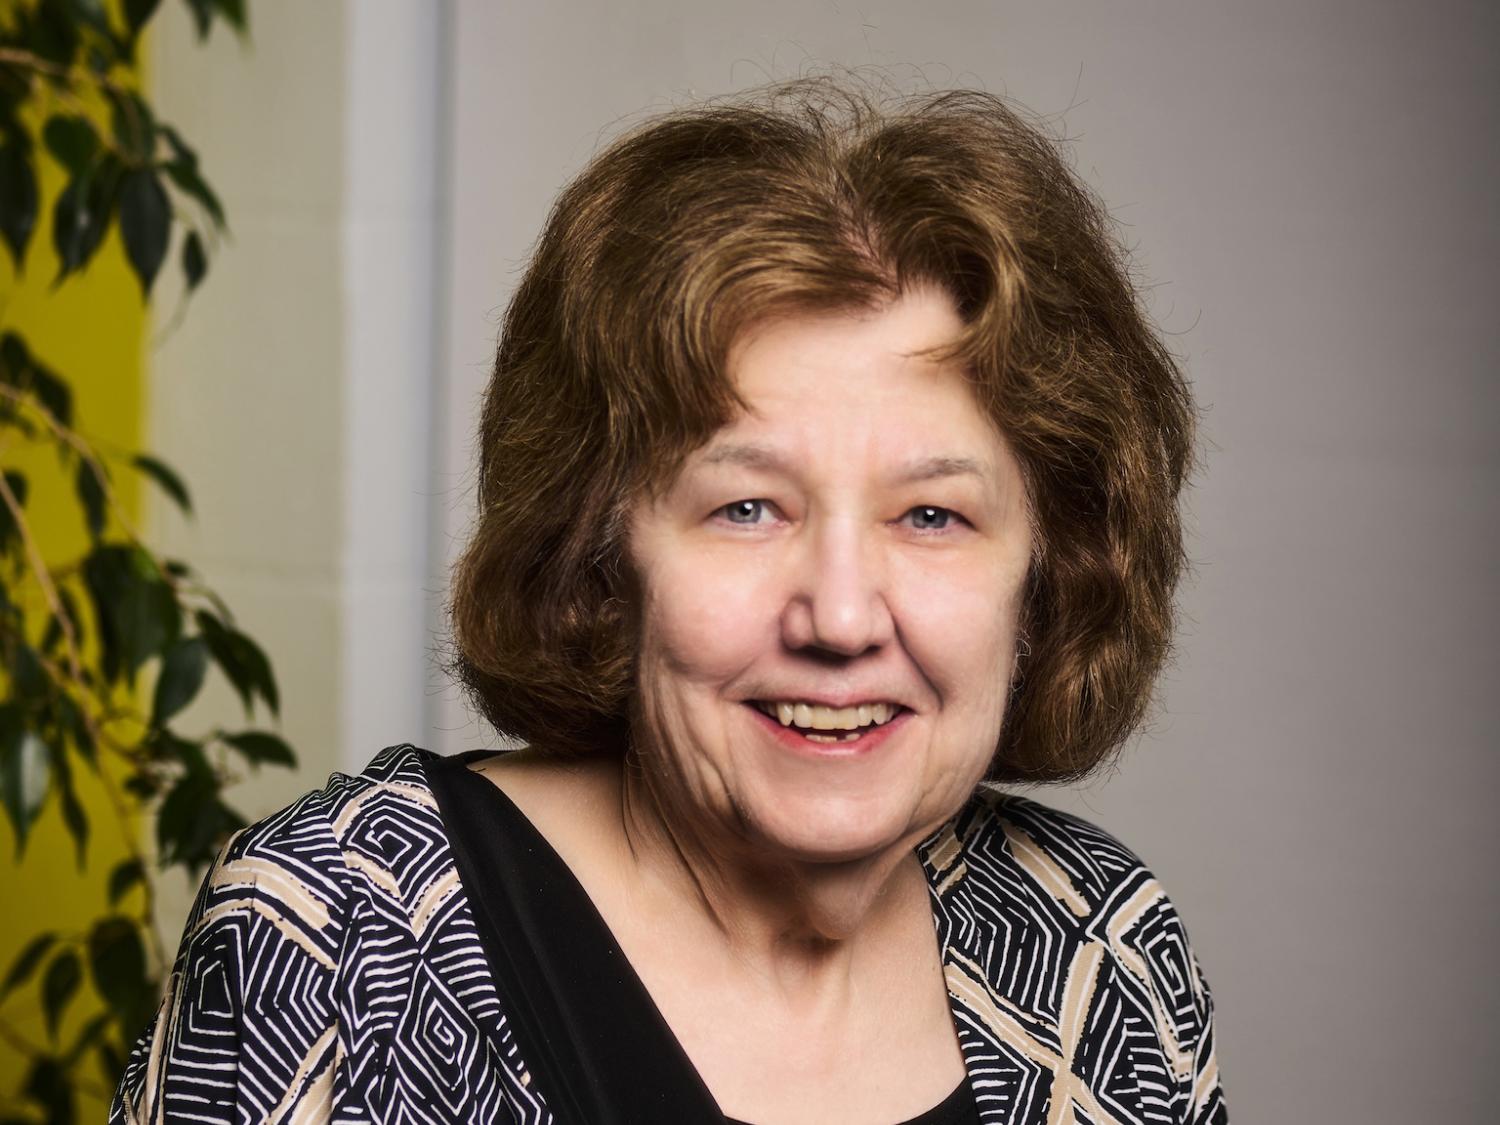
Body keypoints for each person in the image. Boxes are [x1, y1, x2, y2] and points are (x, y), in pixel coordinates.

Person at [111, 78, 1227, 1124]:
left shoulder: (1098, 948)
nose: (840, 619)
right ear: (602, 551)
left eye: (931, 517)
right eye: (747, 508)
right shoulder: (339, 942)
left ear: (1049, 570)